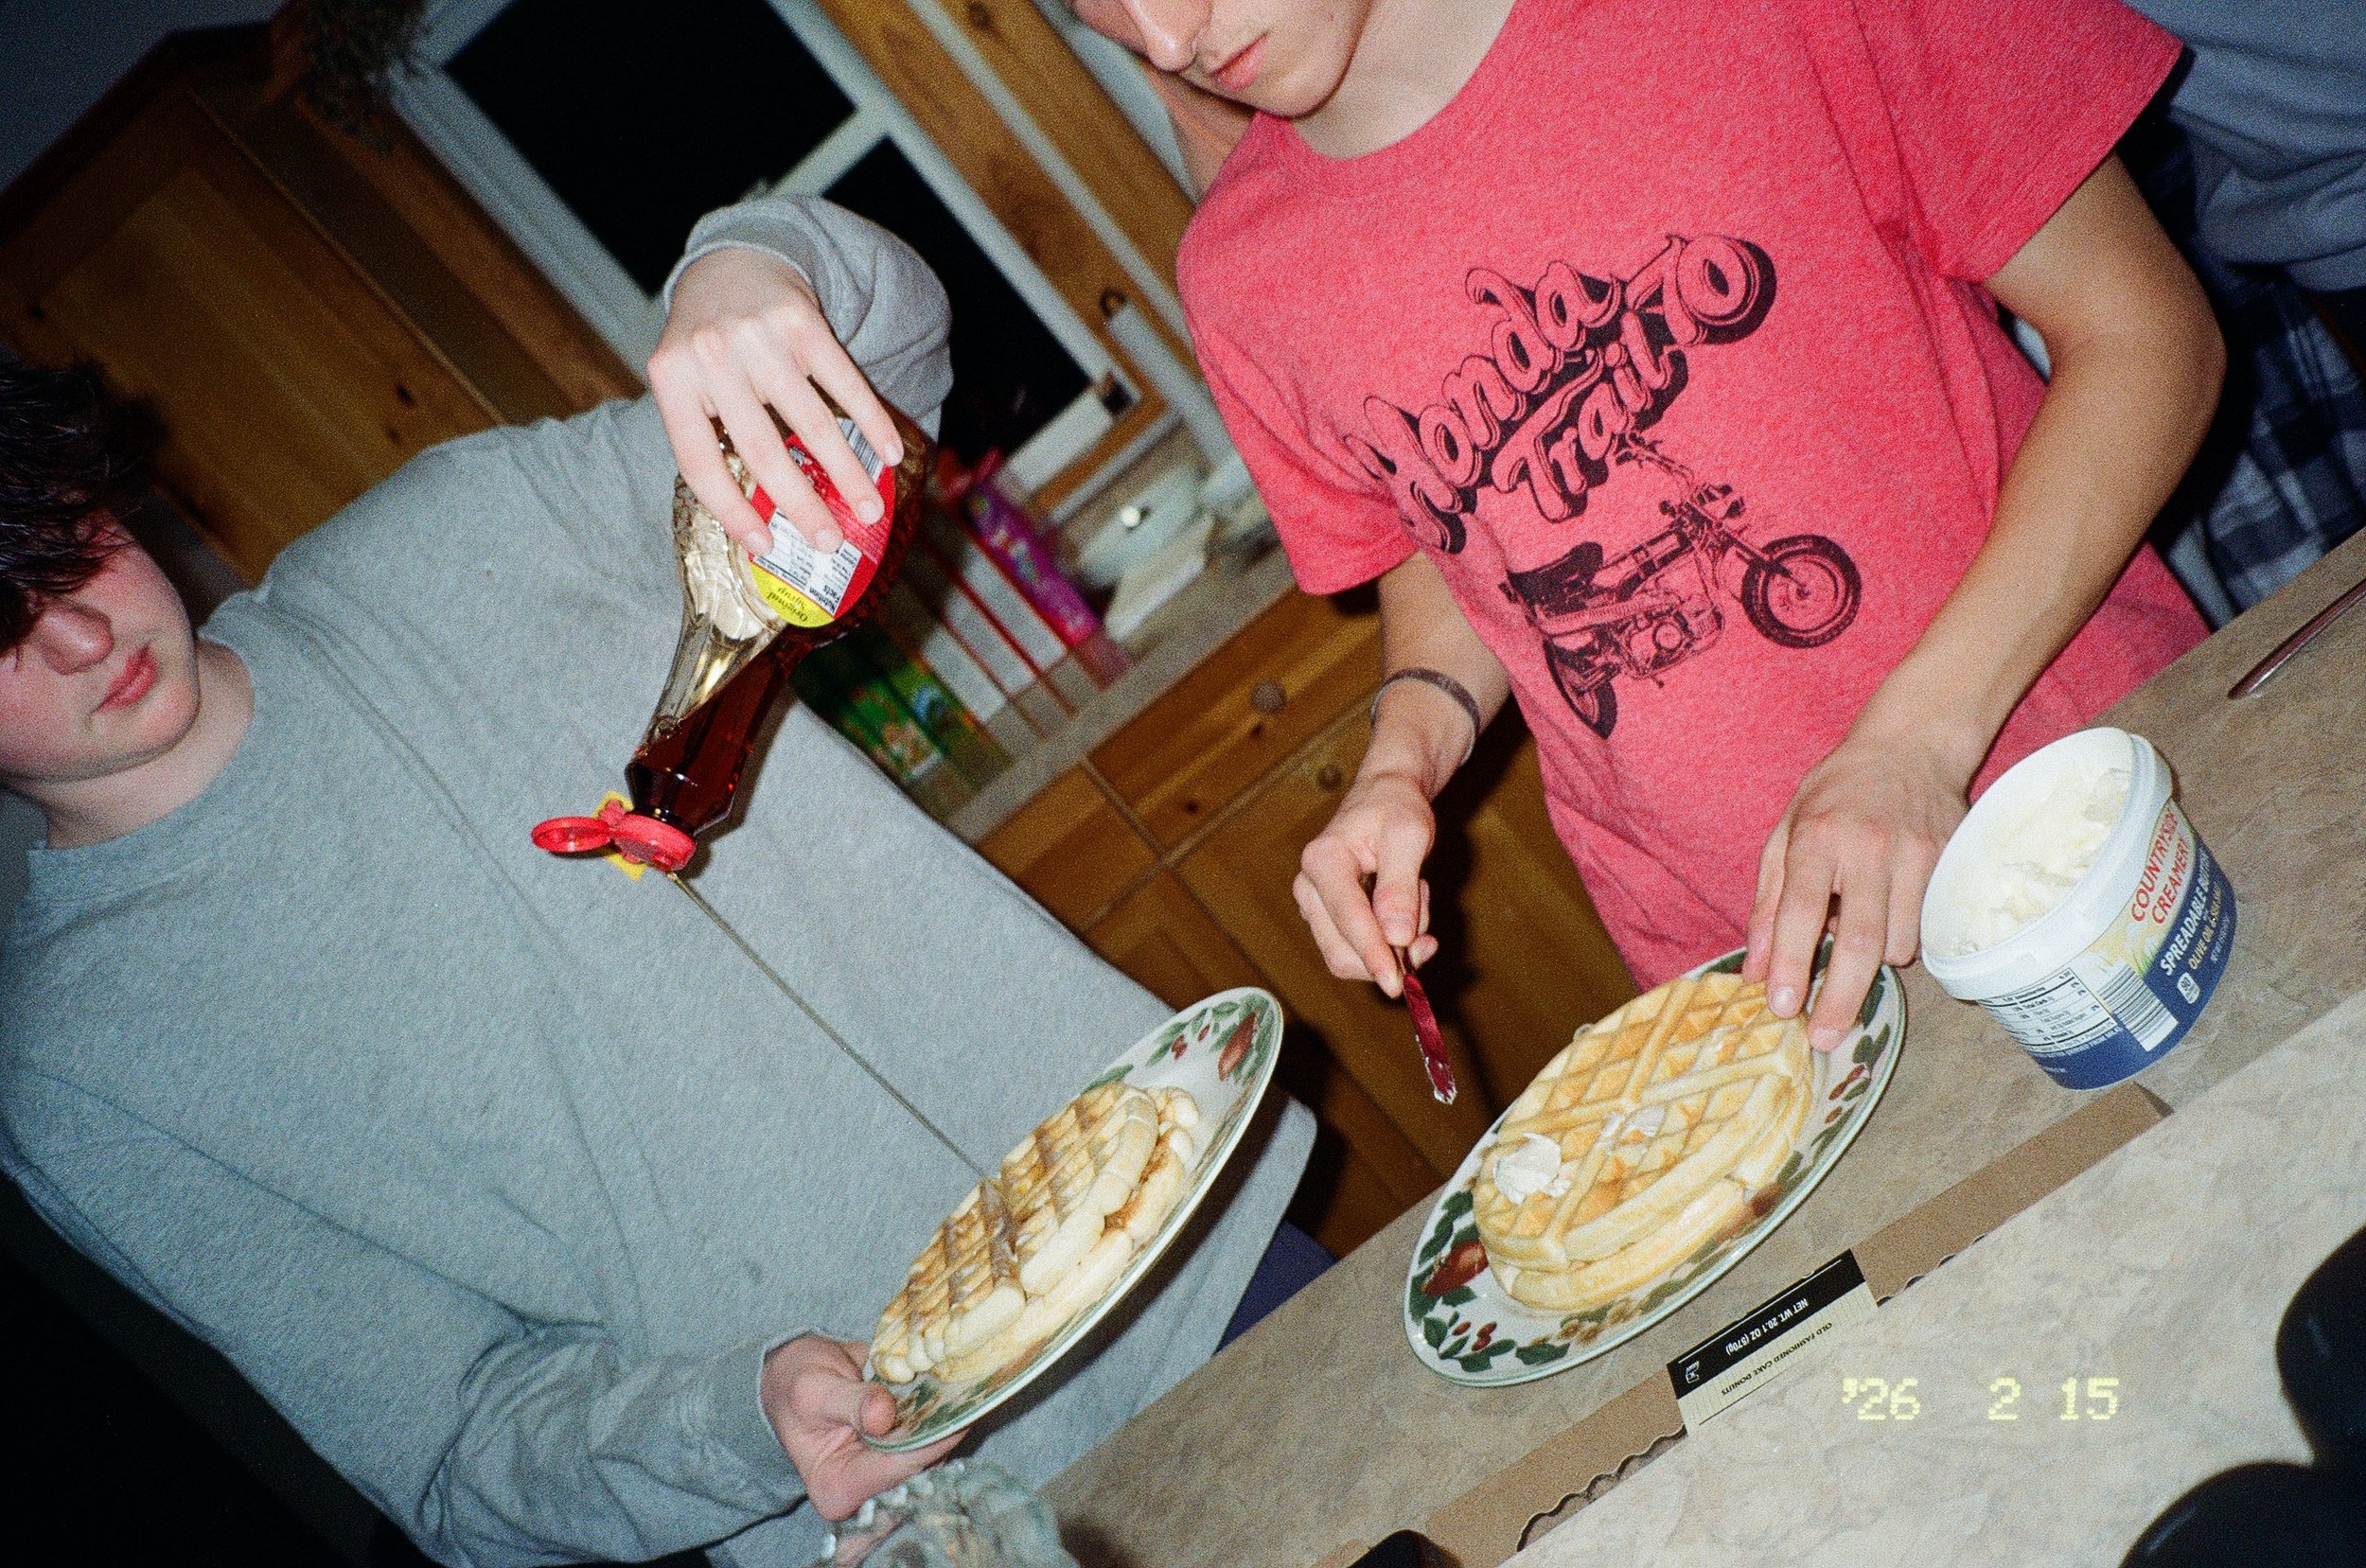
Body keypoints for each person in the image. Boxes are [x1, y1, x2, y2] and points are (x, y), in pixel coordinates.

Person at [0, 193, 1313, 1568]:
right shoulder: (81, 1069)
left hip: (1187, 1241)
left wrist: (753, 262)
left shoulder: (454, 534)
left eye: (62, 540)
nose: (81, 634)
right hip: (908, 1520)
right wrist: (735, 1423)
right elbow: (451, 1450)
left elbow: (891, 376)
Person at [1071, 0, 2224, 1045]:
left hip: (2093, 819)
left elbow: (2147, 335)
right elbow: (1452, 541)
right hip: (1750, 984)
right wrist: (1403, 757)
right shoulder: (1240, 274)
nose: (1165, 41)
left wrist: (1912, 742)